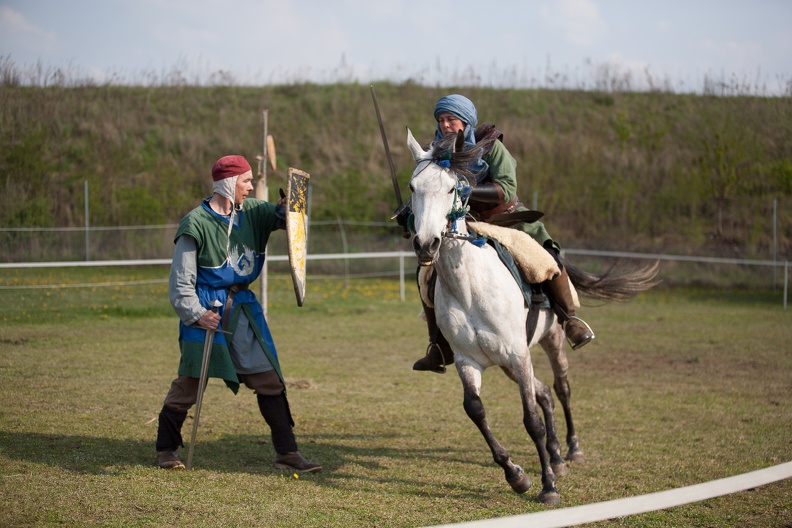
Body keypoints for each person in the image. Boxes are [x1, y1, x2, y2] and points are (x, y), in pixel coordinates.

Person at [405, 94, 595, 373]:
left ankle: (570, 320)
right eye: (441, 120)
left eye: (451, 119)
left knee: (545, 259)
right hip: (465, 226)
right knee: (425, 275)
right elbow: (428, 191)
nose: (445, 125)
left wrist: (466, 190)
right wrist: (410, 214)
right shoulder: (432, 152)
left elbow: (506, 188)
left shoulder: (491, 147)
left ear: (466, 121)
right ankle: (438, 346)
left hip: (506, 221)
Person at [155, 154, 321, 472]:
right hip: (206, 310)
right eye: (246, 181)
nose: (250, 187)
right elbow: (180, 282)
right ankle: (166, 450)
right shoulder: (195, 223)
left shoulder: (254, 213)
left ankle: (287, 453)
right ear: (230, 183)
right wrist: (196, 313)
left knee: (270, 379)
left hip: (243, 310)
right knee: (189, 385)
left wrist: (290, 208)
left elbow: (288, 219)